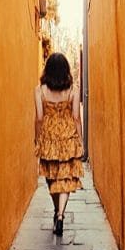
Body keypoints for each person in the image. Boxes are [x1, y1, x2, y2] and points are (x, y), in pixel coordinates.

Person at [34, 52, 83, 237]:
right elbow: (76, 117)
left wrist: (37, 138)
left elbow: (39, 118)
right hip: (67, 136)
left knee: (51, 176)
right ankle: (60, 214)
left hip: (49, 137)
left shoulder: (39, 90)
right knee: (65, 178)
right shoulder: (73, 89)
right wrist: (80, 140)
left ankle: (57, 211)